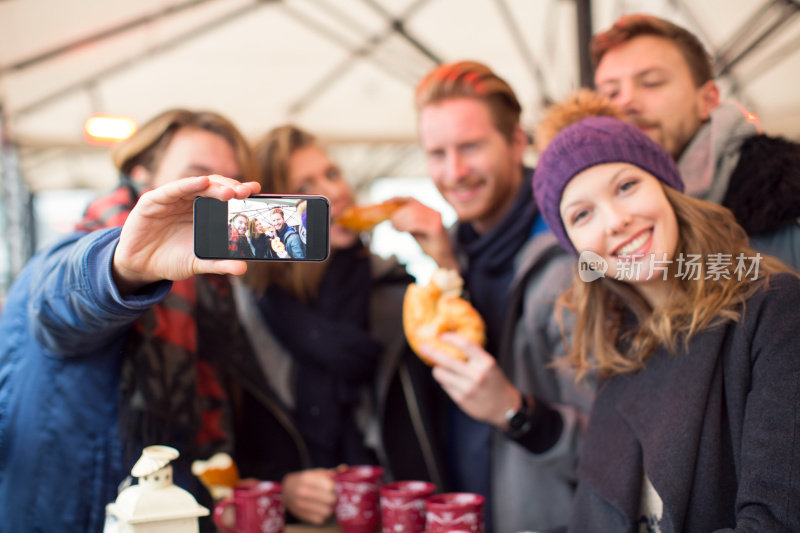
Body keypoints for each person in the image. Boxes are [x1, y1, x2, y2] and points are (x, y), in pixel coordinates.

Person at [530, 114, 800, 531]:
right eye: (582, 215)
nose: (615, 220)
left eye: (626, 186)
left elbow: (775, 523)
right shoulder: (619, 350)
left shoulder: (772, 308)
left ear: (668, 189)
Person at [0, 108, 258, 532]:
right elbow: (58, 306)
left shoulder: (216, 285)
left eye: (232, 179)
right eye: (201, 177)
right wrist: (124, 267)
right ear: (141, 174)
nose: (223, 193)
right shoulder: (77, 251)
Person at [388, 61, 594, 533]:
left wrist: (514, 411)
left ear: (518, 142)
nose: (454, 171)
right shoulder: (457, 250)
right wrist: (447, 270)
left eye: (471, 147)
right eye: (437, 153)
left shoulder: (573, 261)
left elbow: (615, 452)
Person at [226, 124, 448, 526]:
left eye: (332, 174)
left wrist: (445, 262)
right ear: (270, 216)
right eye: (304, 185)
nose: (336, 192)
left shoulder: (397, 290)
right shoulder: (243, 309)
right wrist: (281, 488)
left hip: (396, 516)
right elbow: (234, 445)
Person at [591, 13, 800, 268]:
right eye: (611, 92)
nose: (625, 102)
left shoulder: (787, 200)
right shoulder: (604, 228)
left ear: (708, 99)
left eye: (651, 82)